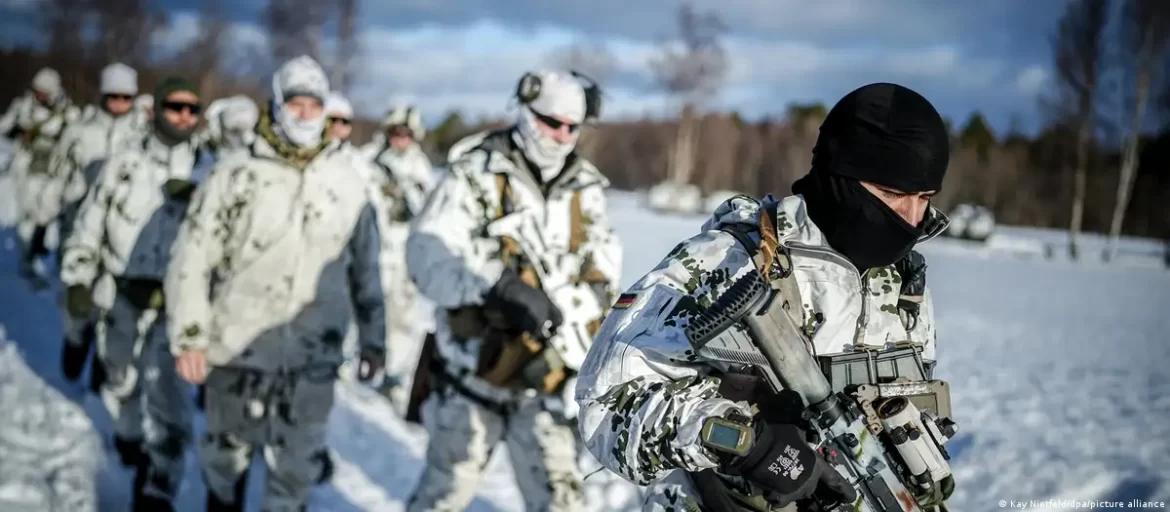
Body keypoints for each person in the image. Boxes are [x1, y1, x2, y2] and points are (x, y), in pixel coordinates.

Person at [575, 82, 953, 511]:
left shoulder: (904, 281)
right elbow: (607, 407)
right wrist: (748, 445)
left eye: (924, 198)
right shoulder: (729, 260)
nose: (911, 219)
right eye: (893, 194)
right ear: (841, 176)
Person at [165, 55, 386, 512]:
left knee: (296, 468)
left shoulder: (348, 182)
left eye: (314, 105)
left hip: (313, 356)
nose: (305, 114)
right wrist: (189, 335)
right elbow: (192, 256)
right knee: (226, 458)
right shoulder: (235, 173)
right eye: (295, 103)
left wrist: (374, 338)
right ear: (276, 104)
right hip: (237, 349)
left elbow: (366, 269)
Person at [403, 69, 622, 512]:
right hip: (471, 378)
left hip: (546, 383)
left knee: (561, 503)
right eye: (551, 123)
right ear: (525, 112)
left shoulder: (587, 190)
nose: (562, 137)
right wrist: (497, 286)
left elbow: (604, 273)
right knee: (442, 496)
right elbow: (426, 257)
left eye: (573, 127)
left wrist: (577, 313)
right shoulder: (474, 173)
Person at [59, 76, 208, 512]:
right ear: (157, 109)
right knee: (121, 381)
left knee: (170, 403)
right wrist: (78, 279)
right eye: (175, 106)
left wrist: (197, 199)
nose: (184, 116)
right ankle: (127, 437)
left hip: (175, 311)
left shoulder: (209, 170)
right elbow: (90, 224)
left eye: (193, 109)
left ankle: (158, 485)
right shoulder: (124, 164)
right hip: (121, 298)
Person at [42, 62, 147, 382]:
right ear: (103, 95)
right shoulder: (80, 132)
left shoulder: (141, 136)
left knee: (111, 310)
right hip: (79, 229)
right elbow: (57, 174)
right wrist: (51, 207)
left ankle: (99, 376)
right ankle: (75, 347)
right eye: (114, 96)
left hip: (119, 236)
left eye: (126, 97)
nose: (120, 103)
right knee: (76, 305)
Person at [361, 104, 435, 405]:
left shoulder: (420, 166)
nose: (401, 139)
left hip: (404, 251)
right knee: (369, 306)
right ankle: (362, 360)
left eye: (406, 134)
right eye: (396, 133)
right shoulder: (371, 159)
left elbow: (426, 208)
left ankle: (394, 372)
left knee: (403, 315)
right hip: (376, 248)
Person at [0, 67, 81, 284]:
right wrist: (19, 130)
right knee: (27, 216)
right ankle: (28, 260)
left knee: (50, 213)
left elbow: (77, 137)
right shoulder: (23, 106)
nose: (40, 96)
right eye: (38, 91)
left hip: (55, 172)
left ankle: (45, 251)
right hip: (27, 170)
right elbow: (4, 128)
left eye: (45, 92)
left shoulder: (66, 111)